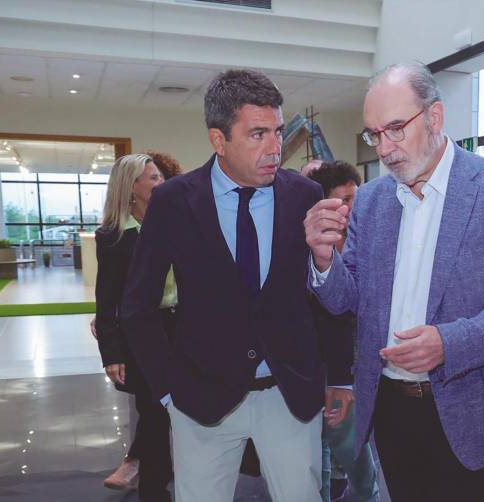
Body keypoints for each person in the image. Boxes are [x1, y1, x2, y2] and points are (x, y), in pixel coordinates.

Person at [304, 62, 484, 502]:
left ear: (434, 118)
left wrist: (447, 343)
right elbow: (348, 299)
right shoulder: (373, 200)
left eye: (396, 128)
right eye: (374, 134)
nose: (385, 147)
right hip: (390, 405)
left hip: (469, 405)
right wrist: (324, 260)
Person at [121, 69, 352, 502]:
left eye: (279, 131)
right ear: (218, 140)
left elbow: (324, 298)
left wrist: (341, 375)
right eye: (258, 134)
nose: (275, 147)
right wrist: (169, 391)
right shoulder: (174, 201)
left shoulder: (303, 195)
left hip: (289, 396)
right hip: (200, 400)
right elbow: (138, 306)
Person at [94, 153, 172, 501]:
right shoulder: (114, 235)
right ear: (132, 187)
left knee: (178, 412)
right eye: (153, 178)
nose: (161, 183)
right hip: (141, 335)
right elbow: (106, 297)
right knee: (154, 412)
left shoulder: (174, 222)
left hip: (182, 329)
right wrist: (111, 353)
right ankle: (154, 489)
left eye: (160, 177)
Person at [305, 160, 379, 502]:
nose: (352, 207)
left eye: (355, 197)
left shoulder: (367, 242)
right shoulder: (309, 248)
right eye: (344, 200)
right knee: (317, 446)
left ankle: (365, 494)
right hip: (314, 362)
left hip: (353, 362)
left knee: (351, 445)